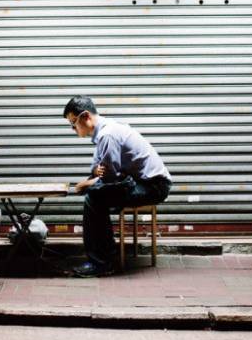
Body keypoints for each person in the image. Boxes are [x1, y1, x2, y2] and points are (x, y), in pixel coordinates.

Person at [63, 95, 172, 277]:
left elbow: (109, 178)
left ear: (86, 116)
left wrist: (84, 185)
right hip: (139, 182)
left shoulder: (108, 134)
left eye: (73, 123)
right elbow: (97, 170)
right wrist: (96, 175)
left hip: (153, 186)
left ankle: (101, 263)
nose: (73, 128)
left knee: (94, 198)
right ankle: (104, 257)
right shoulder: (103, 132)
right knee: (97, 195)